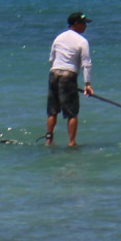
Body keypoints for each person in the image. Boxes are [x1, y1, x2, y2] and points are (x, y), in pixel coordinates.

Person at [46, 13, 91, 148]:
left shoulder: (58, 38)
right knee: (72, 112)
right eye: (83, 23)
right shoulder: (82, 41)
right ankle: (71, 142)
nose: (85, 26)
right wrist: (87, 84)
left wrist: (58, 76)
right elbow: (86, 63)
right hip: (68, 76)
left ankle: (49, 140)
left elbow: (51, 59)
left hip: (54, 74)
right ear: (76, 24)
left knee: (53, 110)